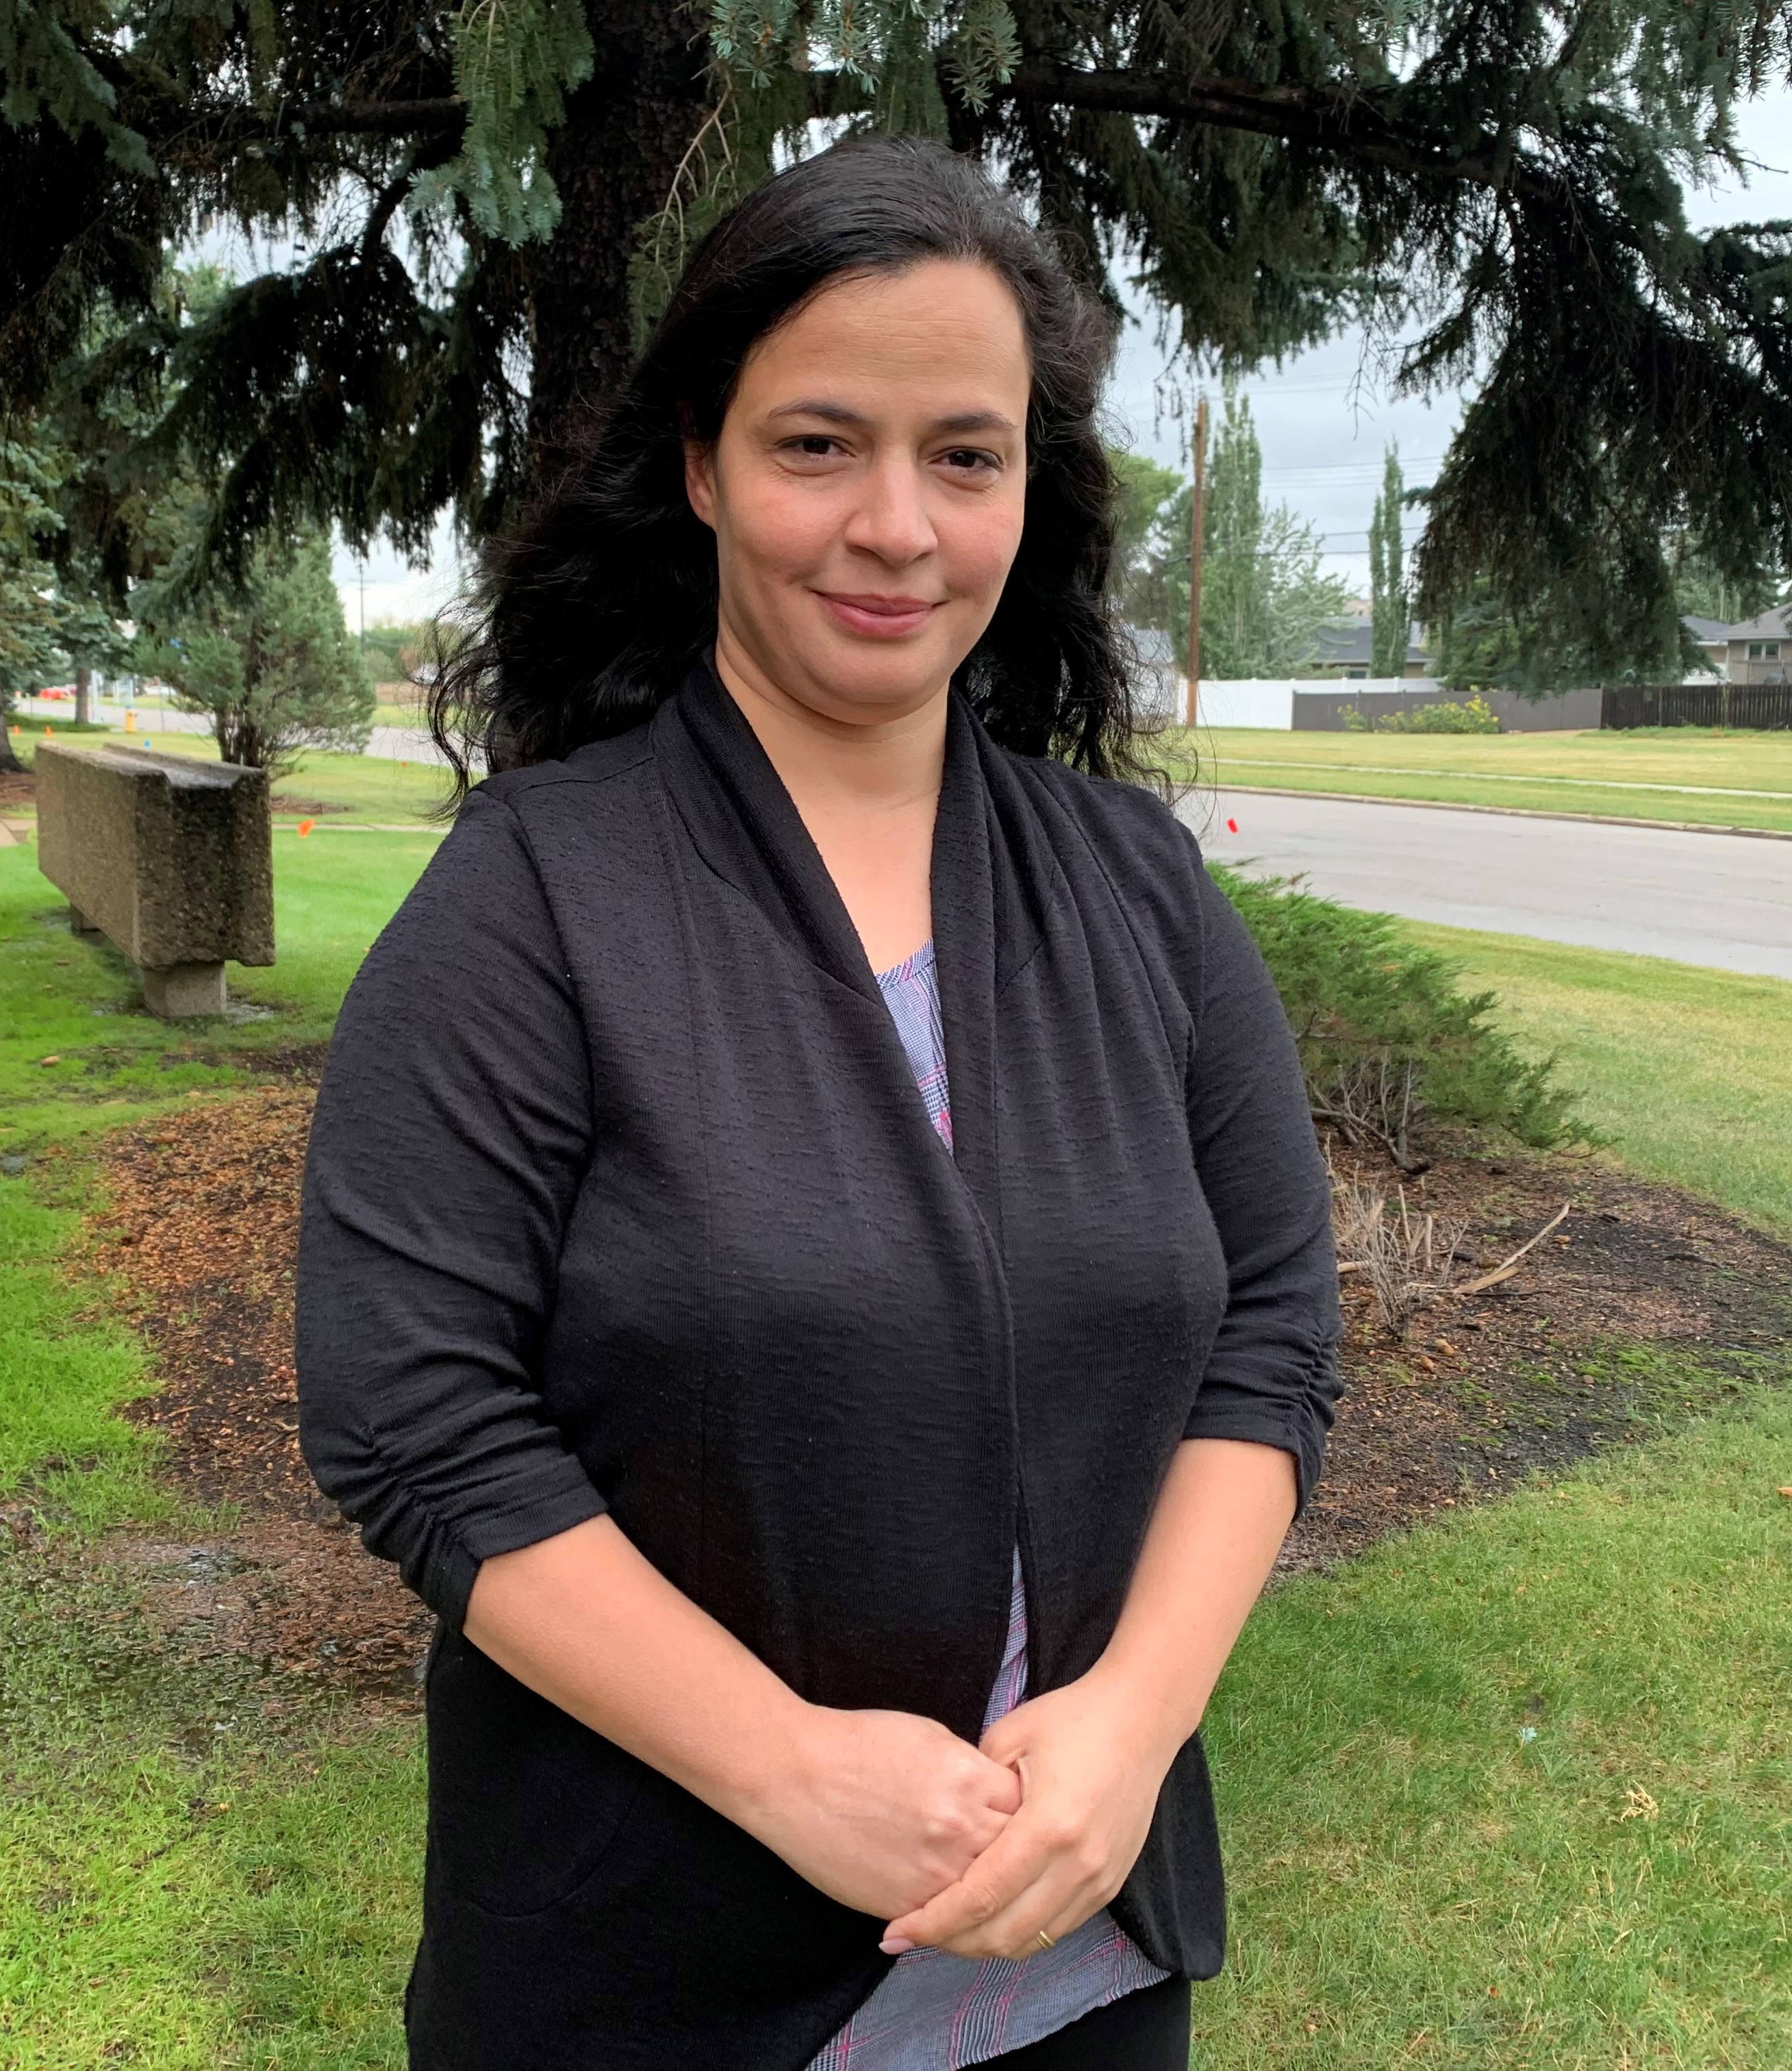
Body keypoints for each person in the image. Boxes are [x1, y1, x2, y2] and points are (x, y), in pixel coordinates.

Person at [297, 136, 1341, 2070]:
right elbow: (411, 1412)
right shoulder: (538, 898)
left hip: (1091, 1976)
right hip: (655, 1992)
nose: (897, 526)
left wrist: (1133, 1728)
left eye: (965, 455)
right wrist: (784, 1768)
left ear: (1029, 487)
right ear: (702, 464)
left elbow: (1272, 1336)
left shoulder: (1139, 892)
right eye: (817, 446)